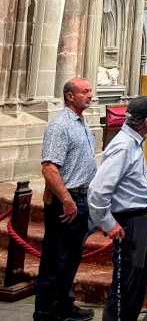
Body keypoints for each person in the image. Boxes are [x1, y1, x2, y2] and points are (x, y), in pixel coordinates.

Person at [88, 96, 147, 321]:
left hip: (139, 218)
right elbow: (97, 190)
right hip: (130, 221)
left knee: (136, 280)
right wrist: (108, 223)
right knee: (126, 284)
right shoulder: (123, 146)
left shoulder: (133, 142)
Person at [34, 79, 96, 321]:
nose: (90, 95)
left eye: (90, 91)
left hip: (79, 197)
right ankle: (46, 312)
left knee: (70, 258)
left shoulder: (81, 122)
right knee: (56, 258)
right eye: (85, 91)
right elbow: (49, 167)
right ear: (70, 96)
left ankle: (64, 305)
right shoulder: (60, 125)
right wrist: (67, 199)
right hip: (67, 201)